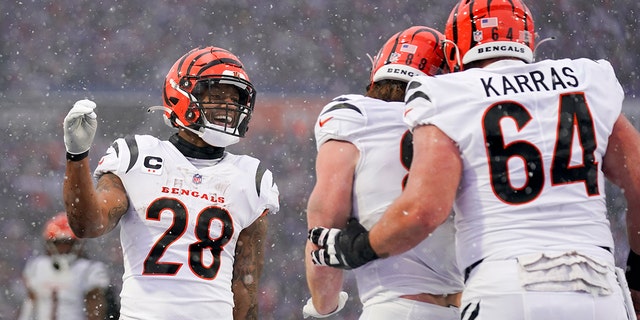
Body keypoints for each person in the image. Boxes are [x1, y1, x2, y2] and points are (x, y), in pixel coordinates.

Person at [308, 0, 640, 319]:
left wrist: (360, 247)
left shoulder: (449, 94)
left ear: (456, 48)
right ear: (529, 40)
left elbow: (423, 211)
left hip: (505, 286)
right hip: (596, 283)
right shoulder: (586, 78)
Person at [62, 46, 280, 319]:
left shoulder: (252, 177)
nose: (228, 106)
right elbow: (87, 224)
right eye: (216, 95)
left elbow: (245, 284)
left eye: (234, 99)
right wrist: (77, 156)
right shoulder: (136, 155)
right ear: (182, 95)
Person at [304, 26, 463, 319]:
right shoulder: (462, 122)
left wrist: (323, 305)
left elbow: (324, 223)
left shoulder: (354, 117)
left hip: (398, 305)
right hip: (476, 304)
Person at [17, 212, 110, 320]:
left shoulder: (89, 270)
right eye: (58, 243)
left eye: (67, 243)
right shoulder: (37, 267)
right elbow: (30, 305)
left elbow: (95, 309)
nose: (63, 248)